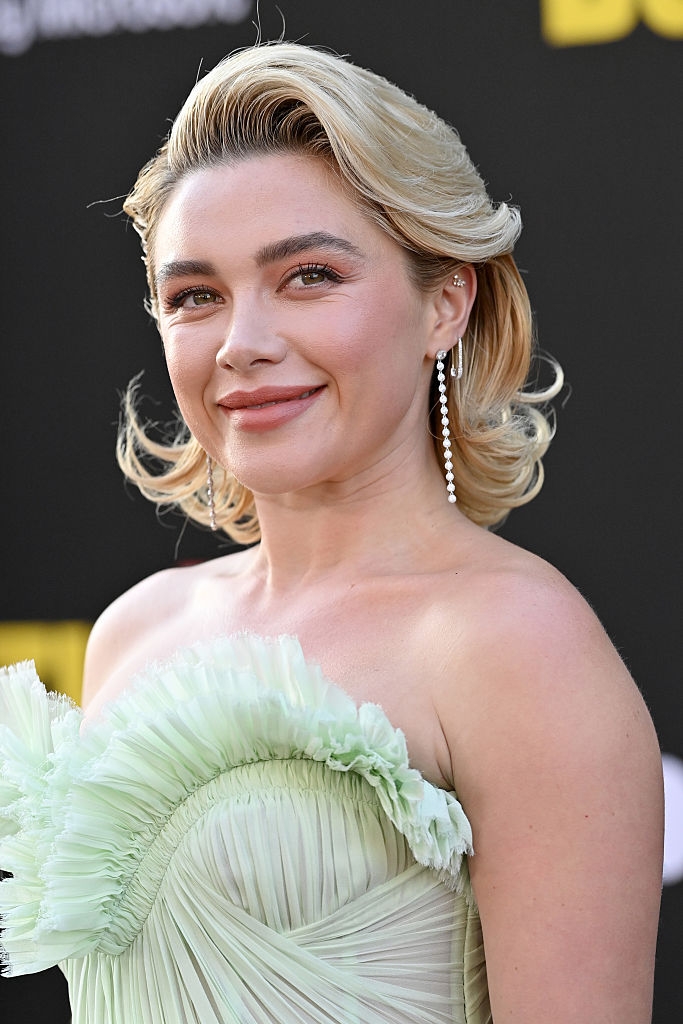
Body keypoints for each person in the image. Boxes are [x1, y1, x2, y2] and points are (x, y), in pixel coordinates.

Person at [0, 42, 663, 1024]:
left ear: (444, 304)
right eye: (195, 296)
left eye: (308, 276)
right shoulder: (135, 630)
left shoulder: (518, 646)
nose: (242, 344)